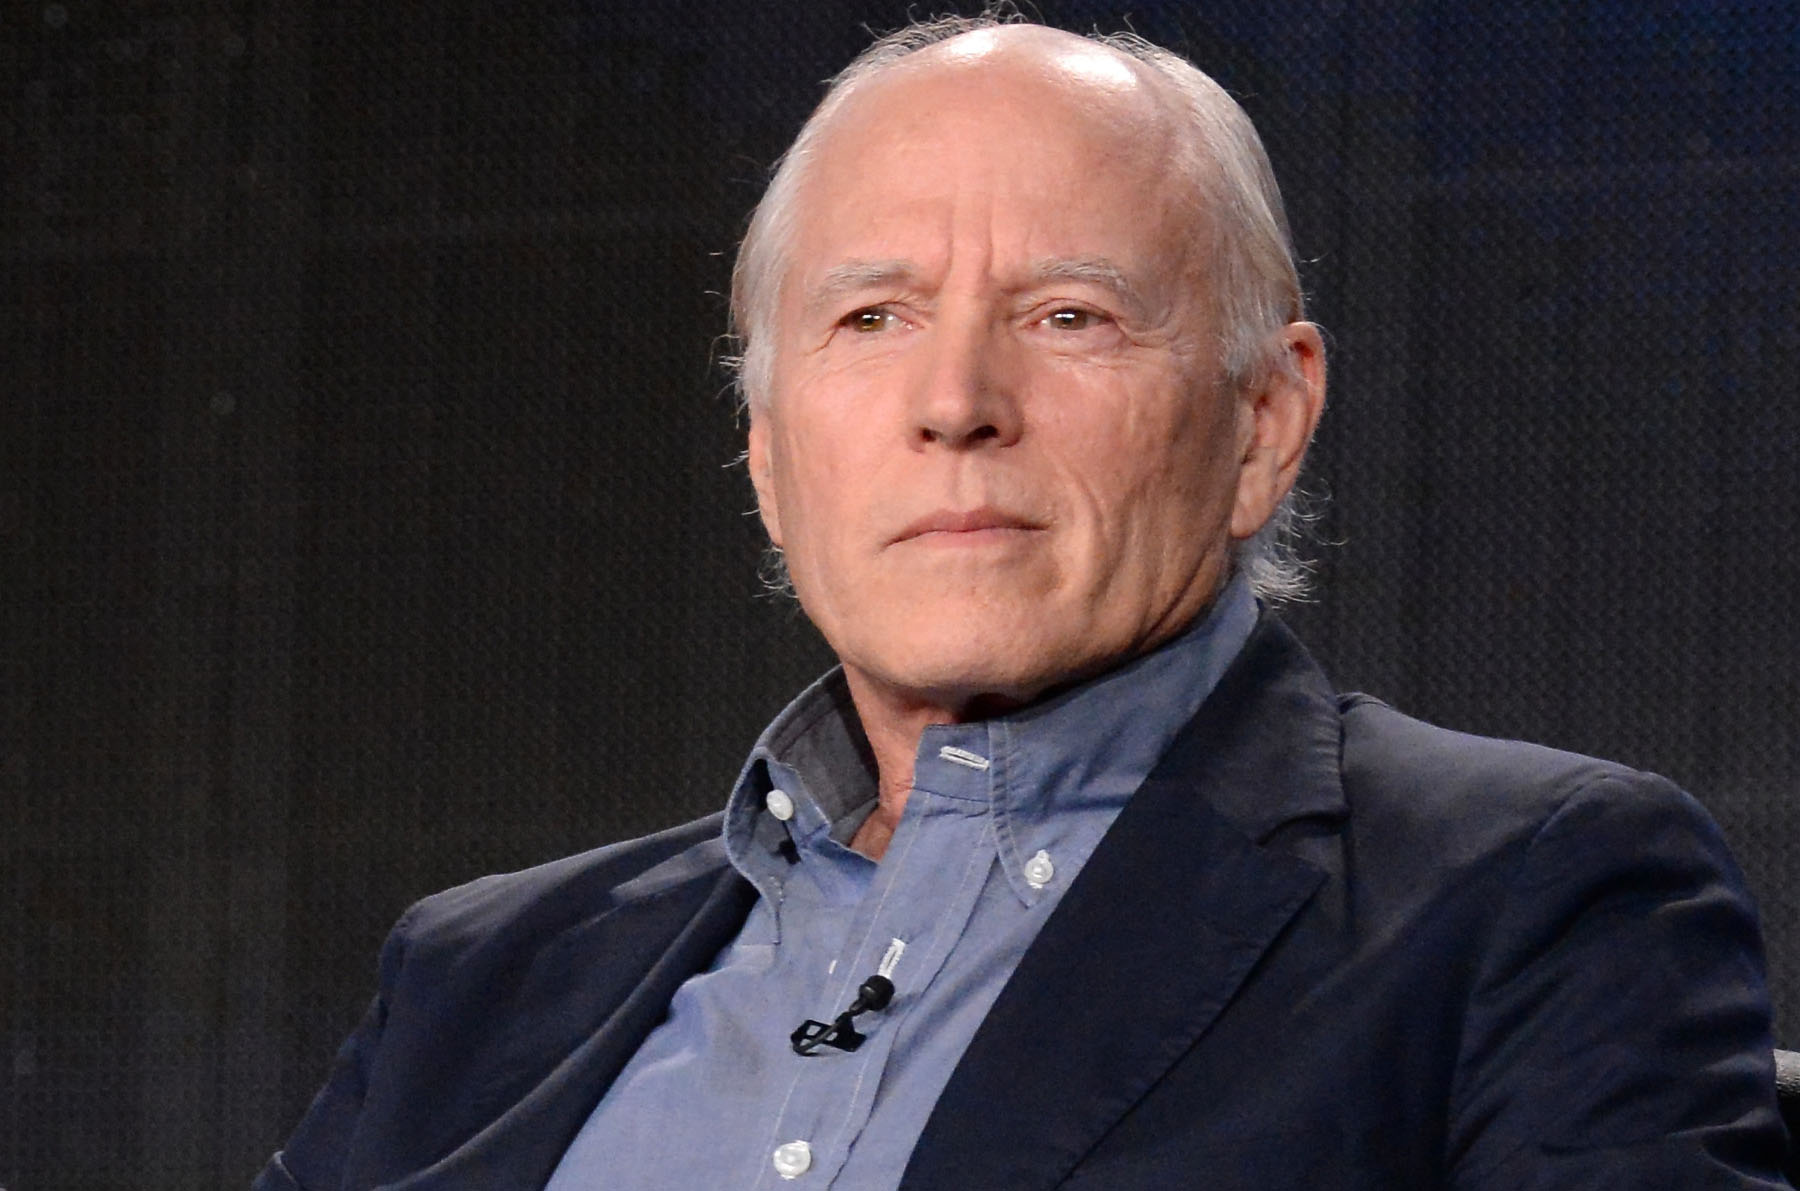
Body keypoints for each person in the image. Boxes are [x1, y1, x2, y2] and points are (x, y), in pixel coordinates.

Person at [256, 16, 1789, 1191]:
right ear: (773, 455)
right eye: (873, 317)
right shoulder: (477, 977)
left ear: (1262, 419)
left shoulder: (1531, 902)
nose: (957, 402)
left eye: (1069, 315)